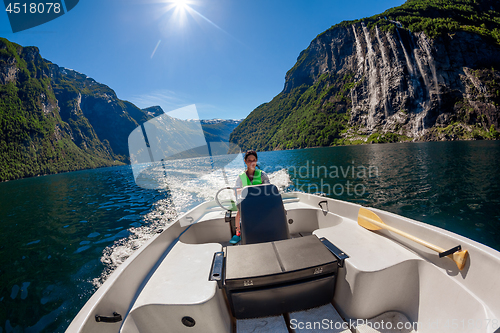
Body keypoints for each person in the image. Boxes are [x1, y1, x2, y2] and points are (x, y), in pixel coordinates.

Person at [230, 150, 270, 244]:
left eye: (254, 160)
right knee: (239, 212)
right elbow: (236, 192)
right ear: (245, 161)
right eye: (249, 160)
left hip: (260, 201)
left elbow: (268, 189)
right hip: (246, 202)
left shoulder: (262, 175)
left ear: (256, 161)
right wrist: (246, 189)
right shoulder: (240, 177)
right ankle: (238, 233)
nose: (252, 163)